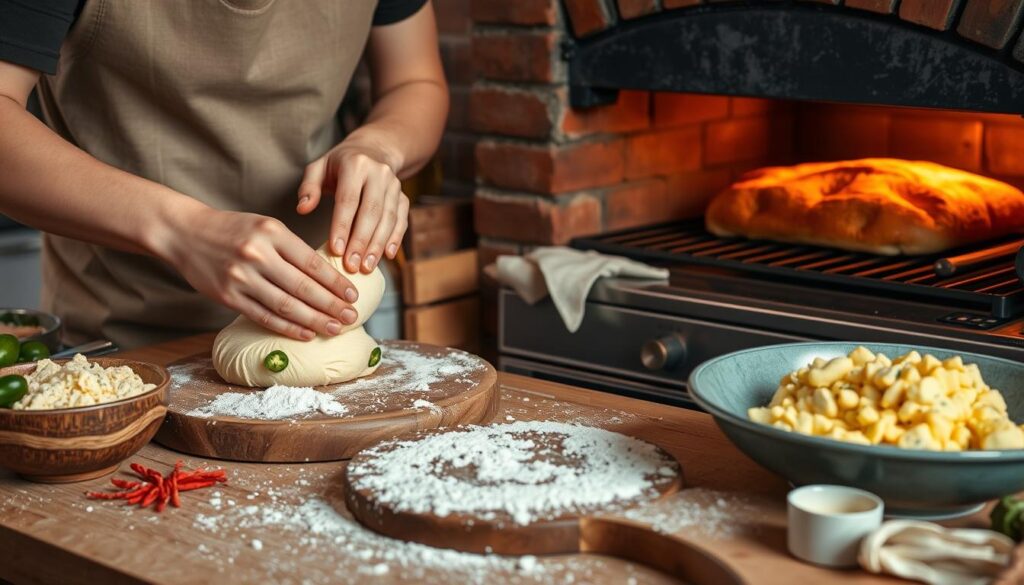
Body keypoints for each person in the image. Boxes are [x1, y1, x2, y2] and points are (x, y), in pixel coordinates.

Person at [0, 0, 448, 348]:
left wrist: (378, 145)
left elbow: (414, 82)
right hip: (121, 343)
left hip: (317, 332)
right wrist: (182, 230)